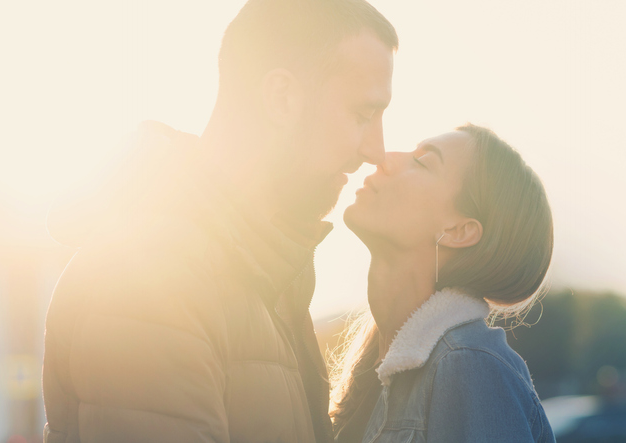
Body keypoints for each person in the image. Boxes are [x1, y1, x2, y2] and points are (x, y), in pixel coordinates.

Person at [41, 0, 396, 441]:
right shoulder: (151, 274)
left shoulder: (263, 275)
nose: (376, 151)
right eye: (363, 115)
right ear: (281, 98)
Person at [330, 124, 556, 442]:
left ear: (457, 230)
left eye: (423, 162)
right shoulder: (375, 374)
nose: (384, 158)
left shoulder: (469, 366)